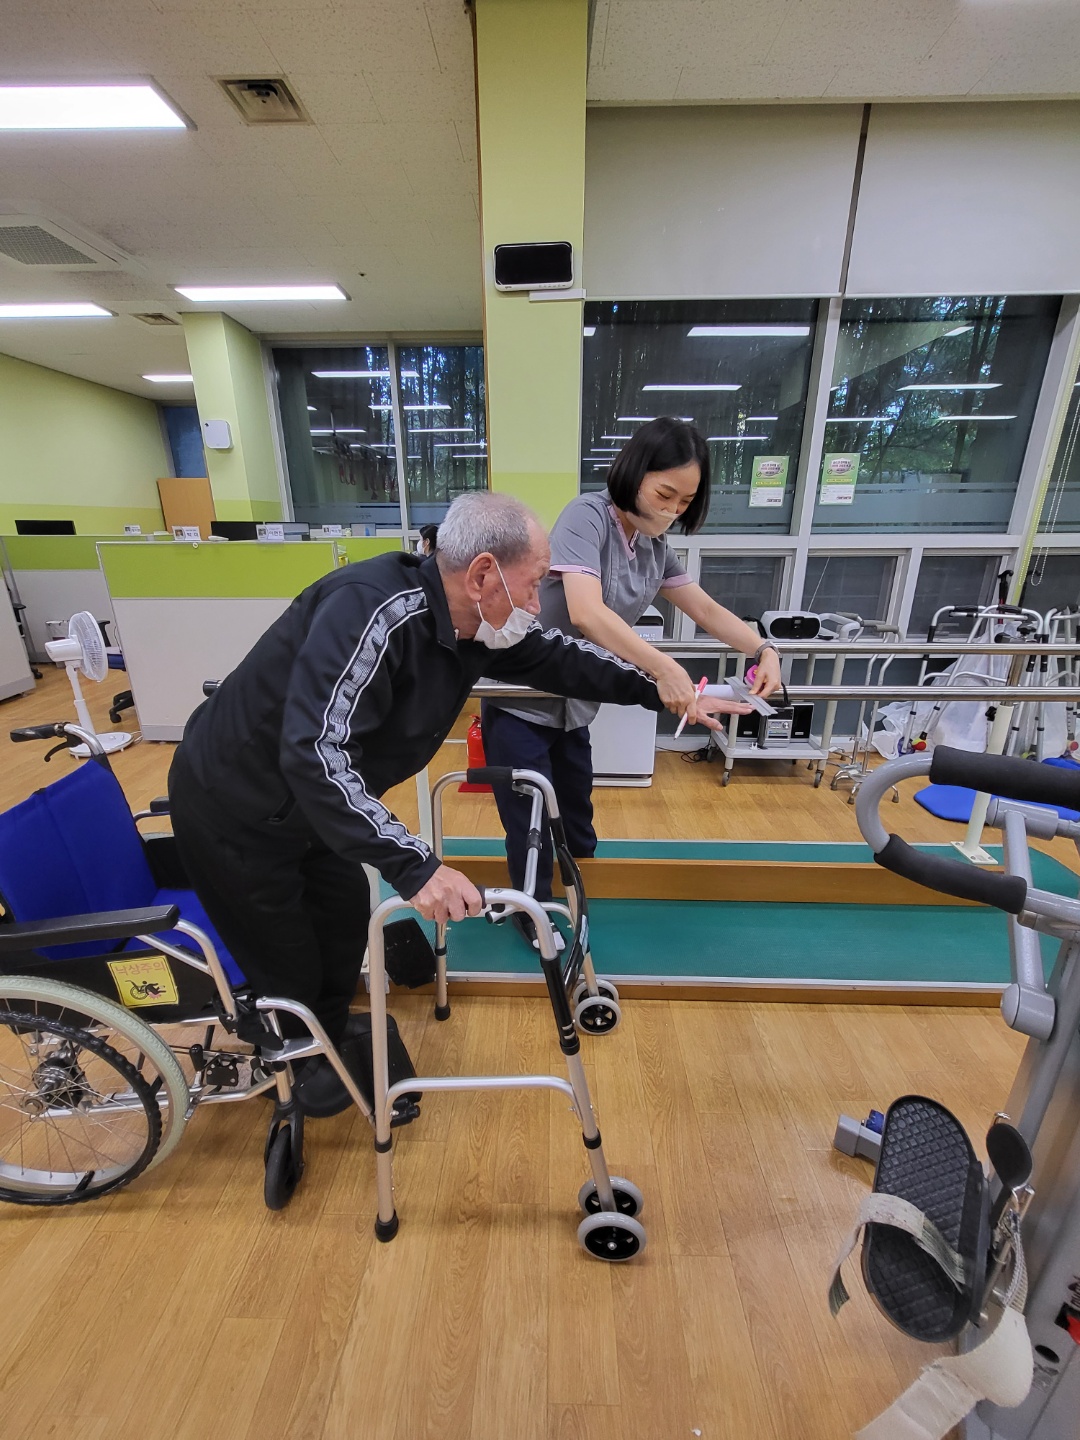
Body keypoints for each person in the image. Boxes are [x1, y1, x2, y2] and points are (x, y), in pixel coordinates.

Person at [167, 491, 746, 1115]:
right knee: (287, 962)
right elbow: (315, 752)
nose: (536, 603)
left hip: (316, 811)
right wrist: (416, 867)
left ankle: (323, 1042)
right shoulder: (373, 611)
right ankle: (293, 1072)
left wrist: (663, 690)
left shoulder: (478, 624)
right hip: (236, 807)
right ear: (482, 574)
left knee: (339, 931)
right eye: (533, 585)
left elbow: (563, 659)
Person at [482, 417, 782, 949]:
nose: (672, 510)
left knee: (576, 811)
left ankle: (579, 890)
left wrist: (763, 649)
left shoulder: (652, 546)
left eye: (685, 502)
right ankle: (533, 912)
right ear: (634, 473)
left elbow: (706, 609)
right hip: (522, 701)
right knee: (529, 820)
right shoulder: (587, 515)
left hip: (575, 704)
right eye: (665, 494)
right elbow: (586, 612)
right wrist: (664, 668)